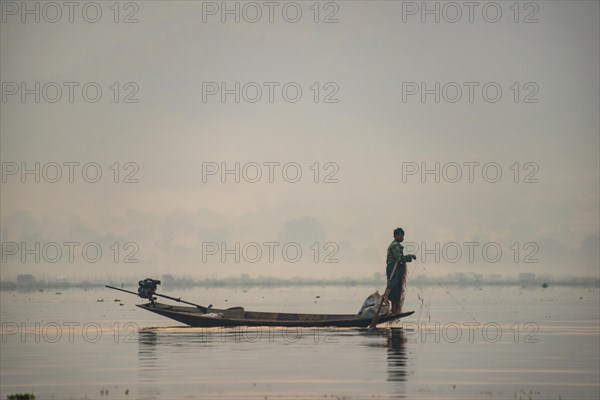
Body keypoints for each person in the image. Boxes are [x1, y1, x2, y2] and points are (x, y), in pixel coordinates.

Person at [384, 227, 417, 314]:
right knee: (393, 283)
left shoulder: (397, 245)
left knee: (397, 290)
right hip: (393, 267)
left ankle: (394, 311)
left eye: (403, 236)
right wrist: (410, 256)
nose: (402, 238)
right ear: (395, 236)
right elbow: (399, 258)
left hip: (397, 268)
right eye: (401, 236)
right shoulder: (395, 245)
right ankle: (386, 295)